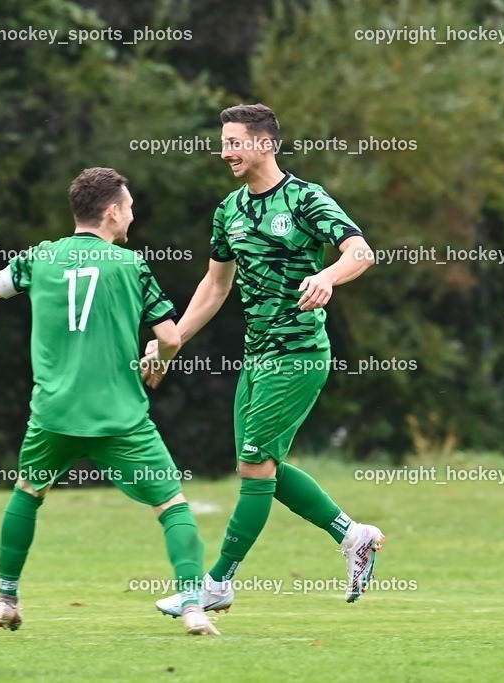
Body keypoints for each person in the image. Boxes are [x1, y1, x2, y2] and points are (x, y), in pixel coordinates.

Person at [0, 167, 219, 636]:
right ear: (112, 212)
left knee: (28, 496)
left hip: (54, 413)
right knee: (172, 506)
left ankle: (6, 599)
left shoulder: (41, 258)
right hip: (120, 418)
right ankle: (193, 605)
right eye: (129, 208)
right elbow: (170, 336)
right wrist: (160, 359)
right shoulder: (132, 267)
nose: (132, 216)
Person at [148, 104, 385, 617]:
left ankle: (216, 584)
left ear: (264, 144)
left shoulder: (304, 199)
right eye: (224, 141)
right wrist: (173, 341)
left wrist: (327, 277)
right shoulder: (228, 210)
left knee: (257, 468)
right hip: (257, 354)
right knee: (259, 466)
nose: (225, 151)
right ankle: (354, 535)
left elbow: (360, 252)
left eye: (235, 142)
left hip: (299, 353)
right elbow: (215, 284)